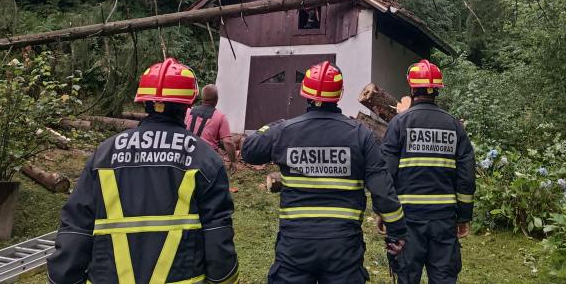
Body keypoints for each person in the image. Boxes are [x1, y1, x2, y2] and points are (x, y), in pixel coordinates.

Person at [47, 57, 239, 284]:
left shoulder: (105, 153)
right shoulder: (205, 159)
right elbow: (218, 237)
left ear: (144, 102)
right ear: (187, 104)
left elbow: (77, 227)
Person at [241, 61, 407, 283]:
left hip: (295, 245)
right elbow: (382, 188)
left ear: (304, 93)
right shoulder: (360, 135)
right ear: (339, 94)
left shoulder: (285, 131)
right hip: (343, 246)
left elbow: (250, 150)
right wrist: (396, 230)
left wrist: (277, 126)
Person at [381, 60, 475, 284]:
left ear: (412, 89)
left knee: (406, 276)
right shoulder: (454, 126)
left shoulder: (399, 124)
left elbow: (385, 173)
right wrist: (463, 216)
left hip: (406, 219)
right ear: (437, 91)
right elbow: (466, 177)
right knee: (443, 278)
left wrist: (383, 213)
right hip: (444, 220)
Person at [186, 84, 237, 169]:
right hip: (208, 158)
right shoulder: (221, 117)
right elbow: (228, 142)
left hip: (187, 156)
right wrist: (233, 161)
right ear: (217, 99)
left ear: (202, 98)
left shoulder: (189, 112)